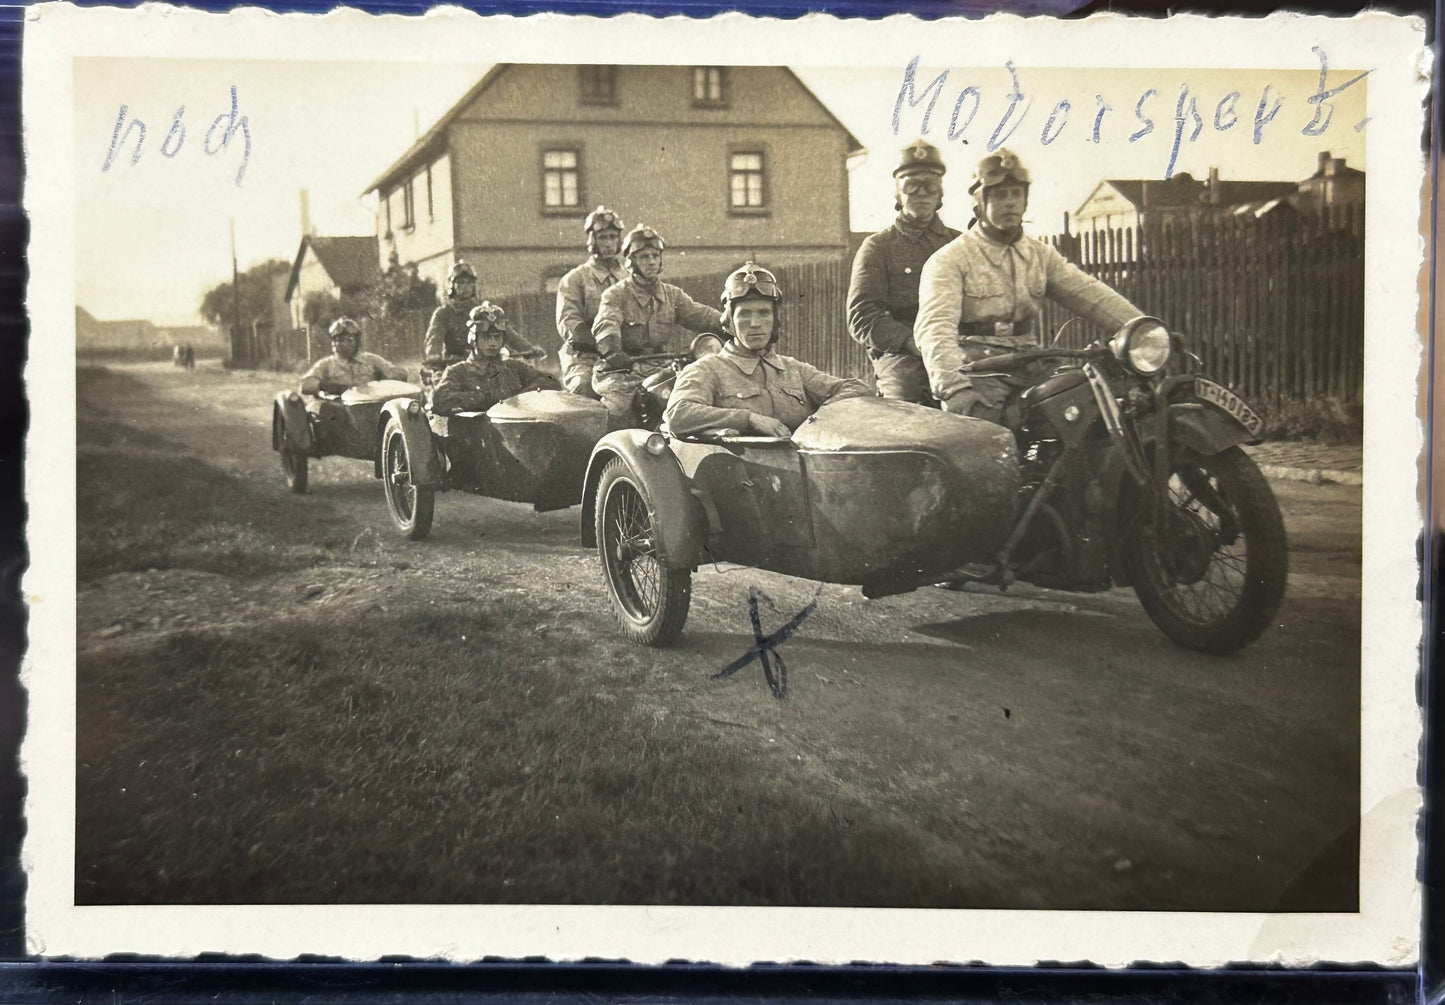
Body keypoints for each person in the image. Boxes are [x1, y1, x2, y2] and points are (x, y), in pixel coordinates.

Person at [913, 149, 1144, 425]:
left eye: (1016, 194)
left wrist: (1143, 328)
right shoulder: (950, 260)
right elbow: (934, 330)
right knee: (985, 437)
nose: (1009, 203)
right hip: (979, 368)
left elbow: (1091, 295)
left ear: (1025, 201)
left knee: (1086, 412)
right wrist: (954, 387)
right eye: (999, 195)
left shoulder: (1040, 255)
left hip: (1031, 360)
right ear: (979, 202)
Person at [664, 262, 872, 438]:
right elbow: (678, 414)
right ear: (729, 321)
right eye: (744, 314)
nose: (755, 323)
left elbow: (856, 388)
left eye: (764, 313)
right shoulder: (707, 369)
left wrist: (818, 419)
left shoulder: (793, 369)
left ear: (774, 320)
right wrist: (749, 419)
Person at [847, 140, 960, 405]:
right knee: (905, 409)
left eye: (930, 185)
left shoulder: (959, 245)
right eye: (911, 185)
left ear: (939, 194)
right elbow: (862, 316)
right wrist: (912, 342)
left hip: (955, 347)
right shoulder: (878, 247)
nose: (921, 193)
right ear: (898, 193)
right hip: (902, 355)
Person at [591, 224, 723, 421]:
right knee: (618, 411)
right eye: (644, 257)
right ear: (632, 262)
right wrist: (613, 351)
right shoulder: (616, 294)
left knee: (698, 396)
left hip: (662, 367)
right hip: (622, 372)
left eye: (655, 256)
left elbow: (702, 316)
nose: (651, 262)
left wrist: (732, 323)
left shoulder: (672, 295)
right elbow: (606, 325)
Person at [429, 302, 561, 415]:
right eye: (486, 337)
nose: (493, 343)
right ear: (474, 338)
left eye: (497, 337)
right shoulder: (458, 371)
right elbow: (439, 399)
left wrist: (520, 397)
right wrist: (483, 398)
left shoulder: (513, 367)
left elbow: (551, 381)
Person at [423, 260, 542, 382]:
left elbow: (507, 333)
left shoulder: (484, 310)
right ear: (452, 286)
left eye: (469, 282)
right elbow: (435, 337)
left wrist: (527, 349)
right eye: (460, 282)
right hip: (456, 364)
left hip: (485, 363)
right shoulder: (444, 313)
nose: (465, 287)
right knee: (445, 389)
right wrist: (434, 356)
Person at [555, 206, 628, 399]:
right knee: (585, 388)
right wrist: (605, 347)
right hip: (586, 359)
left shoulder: (630, 279)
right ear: (592, 240)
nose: (609, 244)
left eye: (613, 237)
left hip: (627, 356)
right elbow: (570, 323)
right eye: (603, 238)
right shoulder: (575, 279)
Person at [299, 317, 407, 396]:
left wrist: (389, 379)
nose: (343, 344)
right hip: (340, 412)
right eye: (338, 340)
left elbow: (397, 373)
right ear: (333, 343)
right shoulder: (326, 364)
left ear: (356, 341)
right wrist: (324, 386)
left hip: (370, 405)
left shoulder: (371, 360)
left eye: (349, 339)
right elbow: (305, 385)